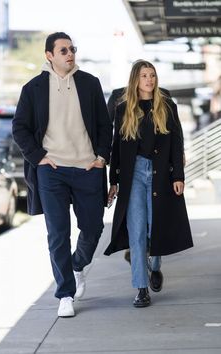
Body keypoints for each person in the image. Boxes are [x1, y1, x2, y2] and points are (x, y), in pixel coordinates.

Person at [12, 32, 112, 318]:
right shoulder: (33, 88)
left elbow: (105, 127)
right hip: (52, 171)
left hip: (87, 168)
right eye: (64, 50)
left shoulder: (90, 84)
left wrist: (101, 158)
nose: (70, 54)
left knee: (93, 228)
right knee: (58, 234)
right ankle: (65, 293)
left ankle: (77, 265)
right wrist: (39, 158)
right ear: (49, 56)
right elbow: (19, 127)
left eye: (72, 49)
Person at [104, 60, 193, 308]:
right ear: (136, 80)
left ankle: (155, 266)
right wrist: (114, 182)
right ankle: (141, 288)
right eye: (144, 75)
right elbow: (117, 147)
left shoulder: (167, 106)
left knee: (156, 227)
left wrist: (178, 177)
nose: (149, 80)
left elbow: (177, 143)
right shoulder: (123, 110)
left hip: (160, 174)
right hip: (133, 176)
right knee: (137, 231)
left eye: (152, 75)